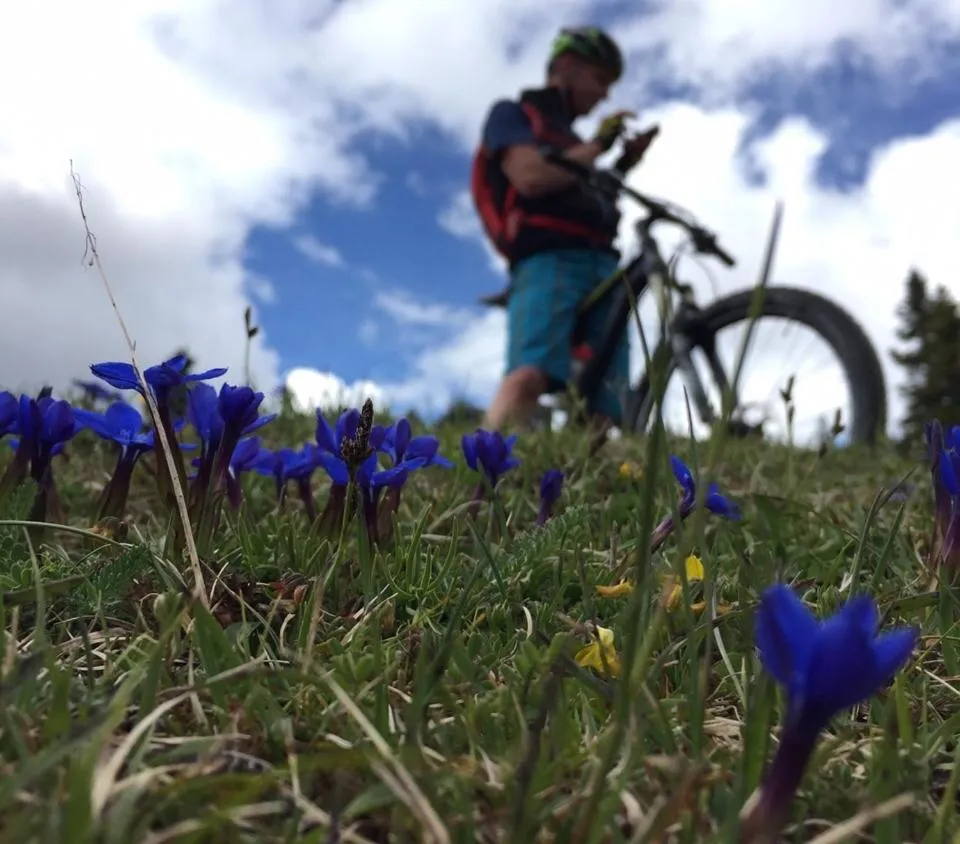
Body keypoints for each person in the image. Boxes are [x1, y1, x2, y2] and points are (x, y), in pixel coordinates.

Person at [470, 26, 658, 432]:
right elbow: (531, 177)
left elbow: (587, 190)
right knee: (528, 376)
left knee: (609, 400)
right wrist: (599, 145)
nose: (604, 94)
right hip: (547, 258)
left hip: (604, 266)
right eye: (600, 80)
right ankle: (480, 484)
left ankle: (591, 489)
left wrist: (624, 163)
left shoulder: (573, 142)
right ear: (568, 67)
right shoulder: (515, 115)